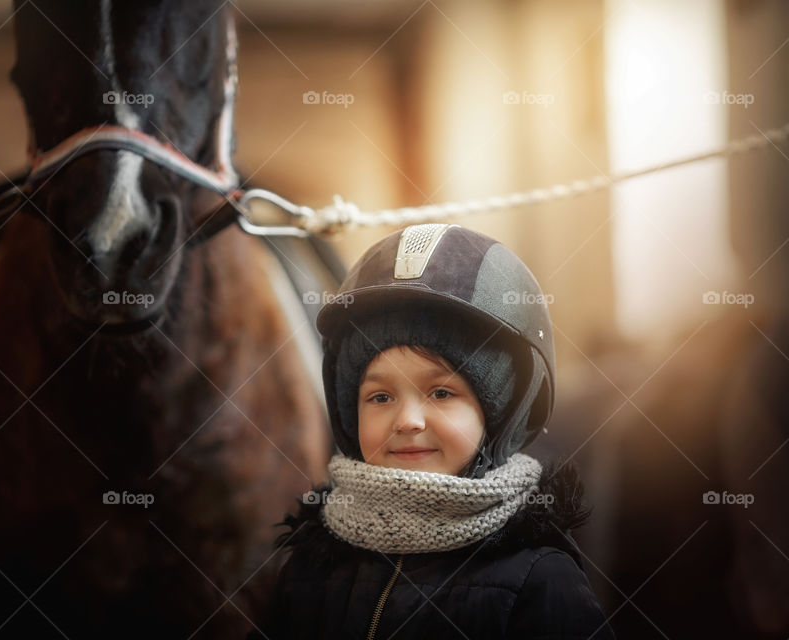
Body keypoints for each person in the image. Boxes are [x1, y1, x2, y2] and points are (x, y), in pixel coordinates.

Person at [249, 223, 615, 639]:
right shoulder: (310, 564)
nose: (407, 421)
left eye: (441, 392)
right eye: (380, 397)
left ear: (503, 416)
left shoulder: (539, 578)